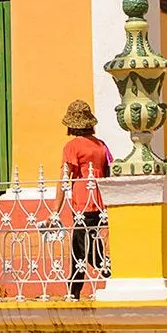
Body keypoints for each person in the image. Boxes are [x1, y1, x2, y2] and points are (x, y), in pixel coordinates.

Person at [58, 100, 113, 300]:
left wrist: (56, 210)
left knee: (81, 246)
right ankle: (74, 290)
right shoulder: (101, 145)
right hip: (101, 199)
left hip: (82, 200)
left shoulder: (71, 147)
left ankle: (108, 272)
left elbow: (65, 178)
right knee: (85, 243)